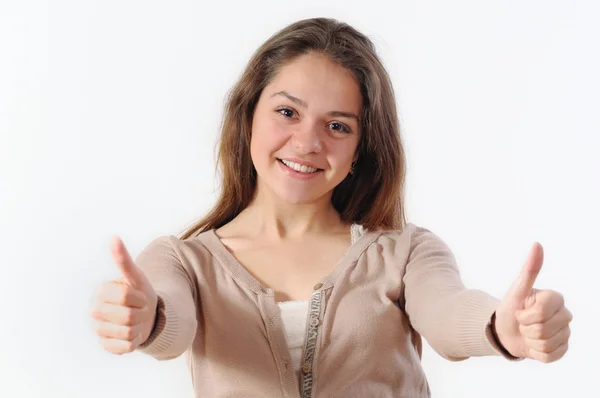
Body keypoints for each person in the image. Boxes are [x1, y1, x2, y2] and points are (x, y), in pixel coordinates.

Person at [90, 17, 572, 397]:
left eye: (337, 126)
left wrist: (501, 327)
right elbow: (171, 325)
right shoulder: (183, 261)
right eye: (287, 112)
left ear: (362, 146)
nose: (306, 143)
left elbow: (447, 314)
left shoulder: (406, 253)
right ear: (248, 115)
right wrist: (144, 317)